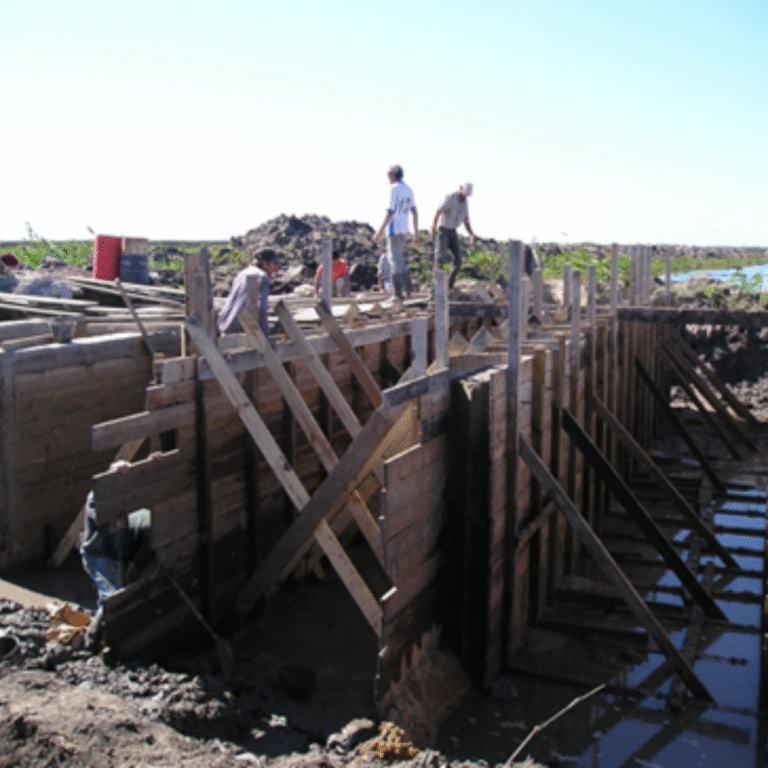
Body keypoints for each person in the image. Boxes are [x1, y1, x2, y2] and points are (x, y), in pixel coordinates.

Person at [80, 460, 155, 649]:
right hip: (98, 555)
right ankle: (92, 639)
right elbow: (105, 516)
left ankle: (111, 633)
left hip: (115, 553)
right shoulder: (97, 499)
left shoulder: (124, 496)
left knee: (119, 591)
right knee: (110, 596)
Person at [373, 165, 418, 302]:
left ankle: (398, 295)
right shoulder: (409, 189)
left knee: (394, 260)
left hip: (394, 227)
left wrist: (379, 232)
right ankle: (405, 291)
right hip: (404, 228)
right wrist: (416, 234)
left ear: (393, 175)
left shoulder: (394, 189)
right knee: (399, 260)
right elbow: (414, 212)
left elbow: (390, 211)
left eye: (389, 175)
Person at [218, 249, 279, 337]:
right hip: (241, 332)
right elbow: (261, 309)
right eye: (275, 264)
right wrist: (265, 338)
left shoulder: (241, 274)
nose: (276, 269)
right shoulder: (262, 277)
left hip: (224, 327)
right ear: (265, 264)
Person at [430, 182, 477, 288]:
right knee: (440, 258)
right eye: (465, 192)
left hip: (453, 232)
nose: (465, 196)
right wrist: (433, 227)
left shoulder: (465, 203)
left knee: (459, 259)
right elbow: (438, 210)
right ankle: (436, 286)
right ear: (461, 189)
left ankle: (449, 285)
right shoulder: (451, 198)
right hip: (443, 230)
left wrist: (471, 234)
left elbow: (466, 220)